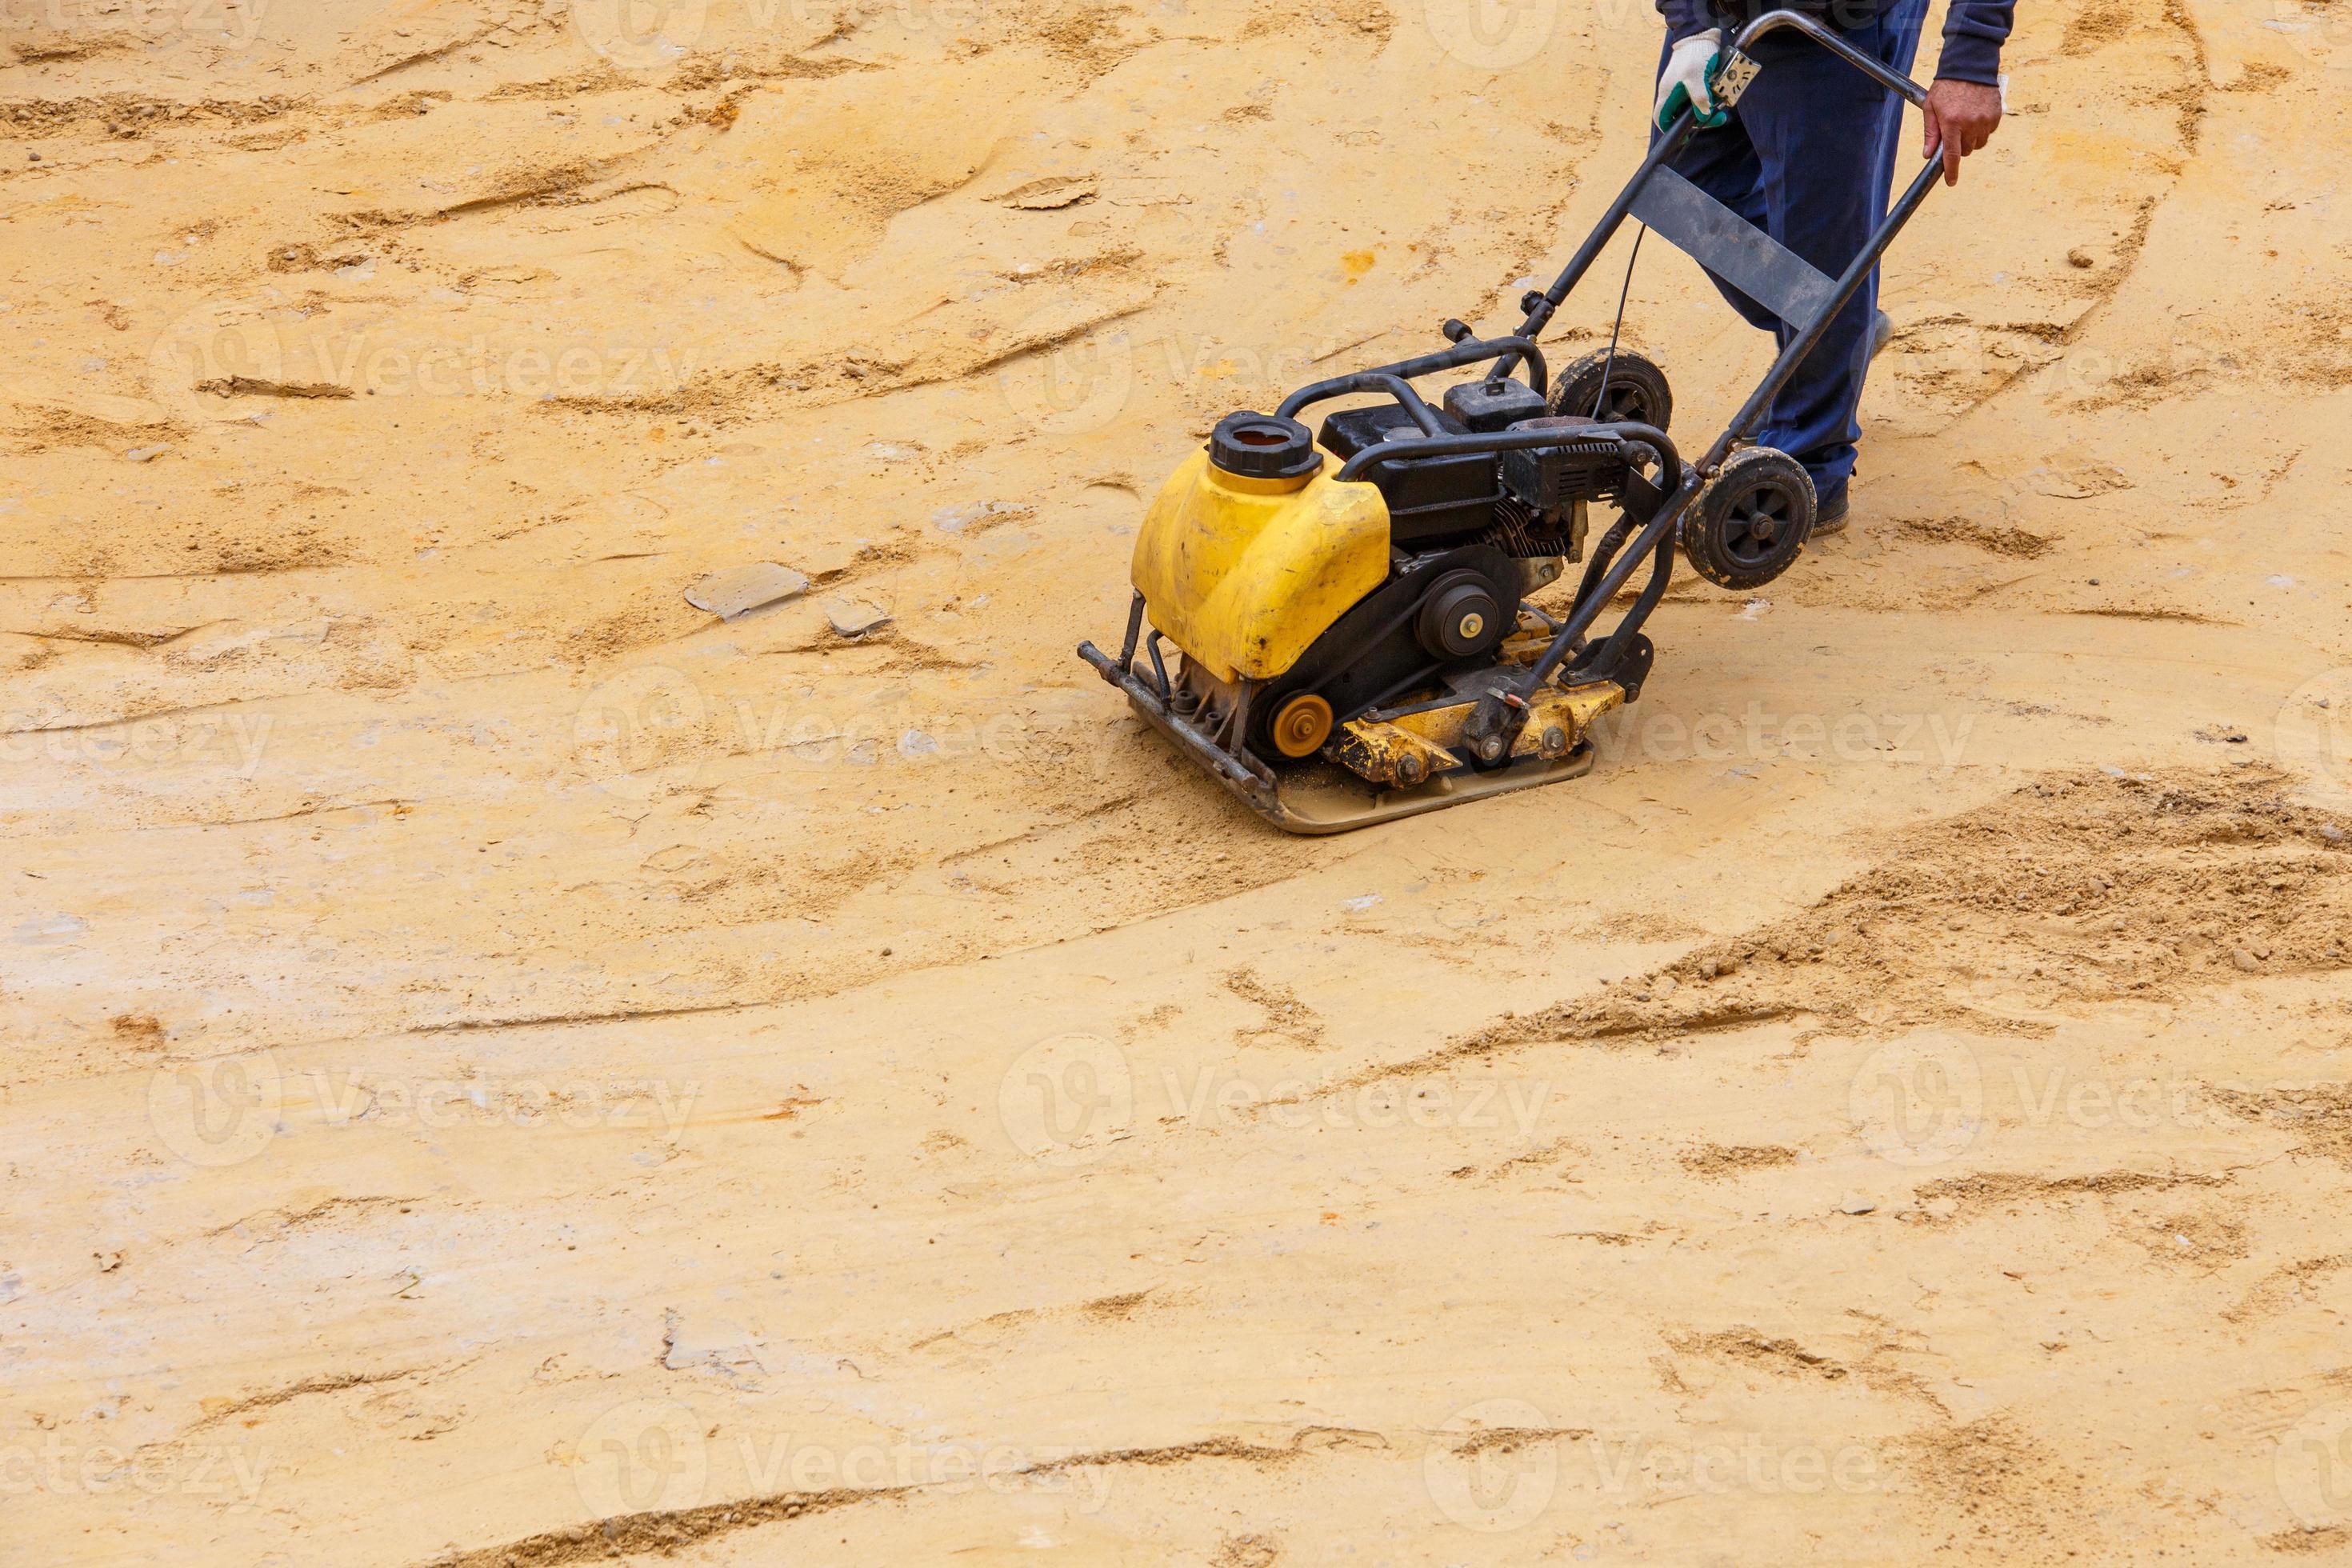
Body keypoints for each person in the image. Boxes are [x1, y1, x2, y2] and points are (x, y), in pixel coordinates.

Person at [1653, 0, 2010, 533]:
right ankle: (1840, 333)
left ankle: (1807, 467)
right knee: (1678, 187)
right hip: (1730, 22)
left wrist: (1971, 58)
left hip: (1842, 30)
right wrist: (1691, 26)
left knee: (1818, 238)